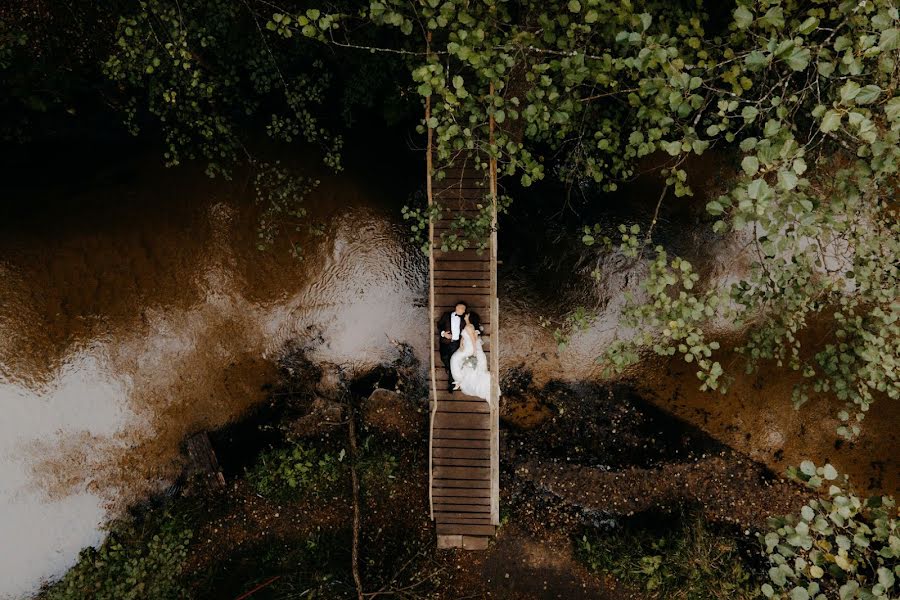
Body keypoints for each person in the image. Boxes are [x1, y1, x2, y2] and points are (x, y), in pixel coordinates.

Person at [449, 311, 491, 402]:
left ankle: (459, 379)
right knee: (455, 359)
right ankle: (459, 379)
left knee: (454, 359)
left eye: (467, 315)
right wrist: (461, 343)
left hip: (470, 348)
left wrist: (475, 350)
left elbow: (473, 339)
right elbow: (465, 336)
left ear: (469, 318)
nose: (465, 316)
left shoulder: (469, 326)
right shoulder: (468, 325)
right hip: (466, 346)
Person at [437, 301, 467, 392]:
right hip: (445, 342)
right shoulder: (446, 315)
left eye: (464, 310)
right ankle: (448, 367)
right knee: (444, 358)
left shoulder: (463, 320)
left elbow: (467, 330)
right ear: (458, 308)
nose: (463, 311)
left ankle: (451, 384)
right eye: (463, 309)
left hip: (456, 343)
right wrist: (443, 333)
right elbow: (439, 325)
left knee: (452, 362)